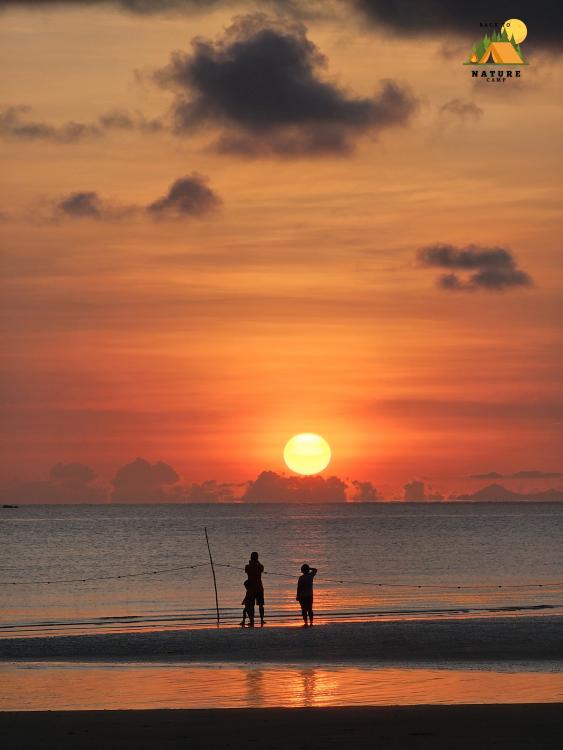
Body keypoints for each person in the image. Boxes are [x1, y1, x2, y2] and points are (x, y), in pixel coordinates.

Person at [245, 551, 265, 626]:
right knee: (260, 605)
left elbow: (247, 570)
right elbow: (262, 568)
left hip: (251, 589)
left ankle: (252, 620)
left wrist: (251, 563)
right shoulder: (259, 566)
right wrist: (258, 562)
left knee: (251, 605)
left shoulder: (248, 566)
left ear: (251, 557)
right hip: (259, 588)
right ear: (257, 558)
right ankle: (262, 620)